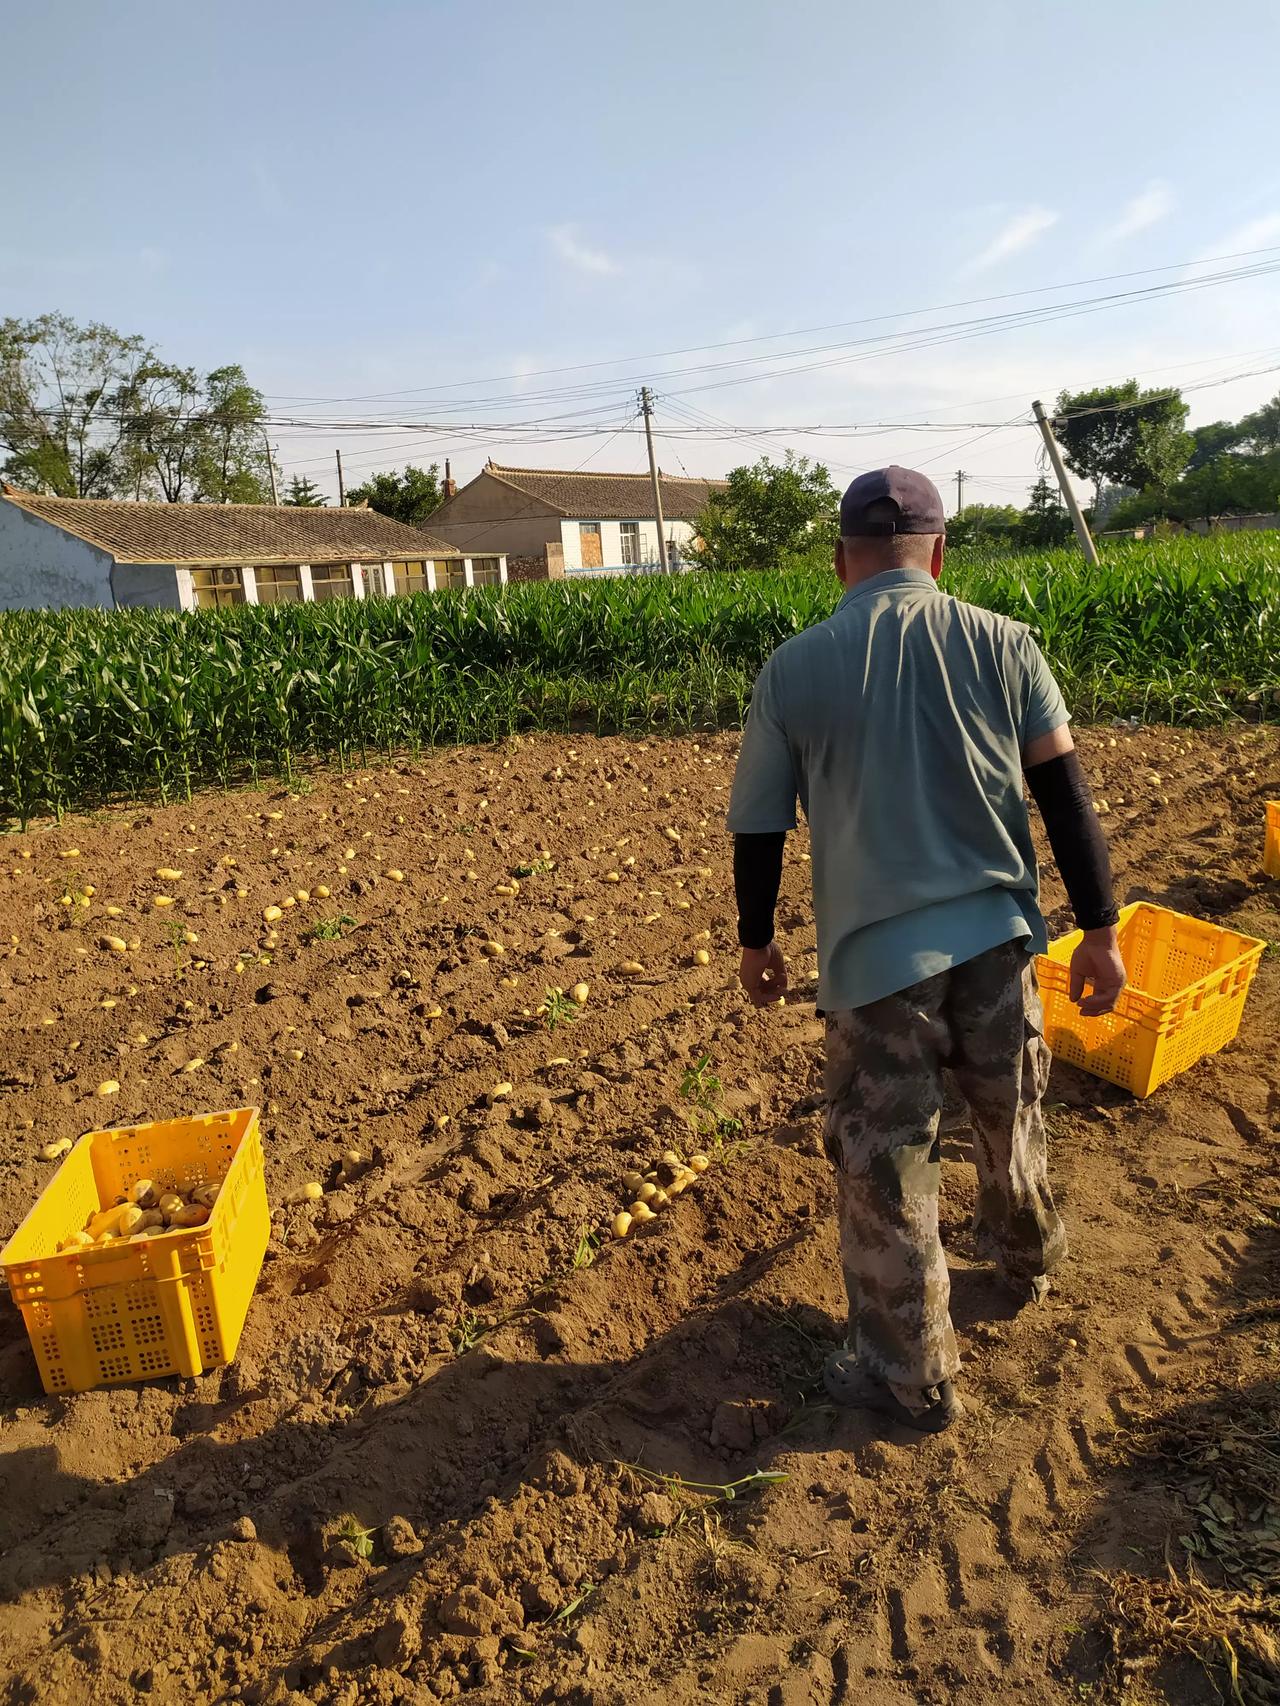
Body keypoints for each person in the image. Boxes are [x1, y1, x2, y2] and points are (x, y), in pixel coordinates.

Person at [727, 466, 1126, 1434]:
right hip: (994, 939)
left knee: (886, 1160)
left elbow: (756, 828)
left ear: (839, 563)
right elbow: (1062, 793)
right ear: (938, 555)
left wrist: (754, 941)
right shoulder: (1003, 643)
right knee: (1007, 1108)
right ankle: (1024, 1256)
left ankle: (911, 1373)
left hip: (873, 967)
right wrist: (1100, 926)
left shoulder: (794, 668)